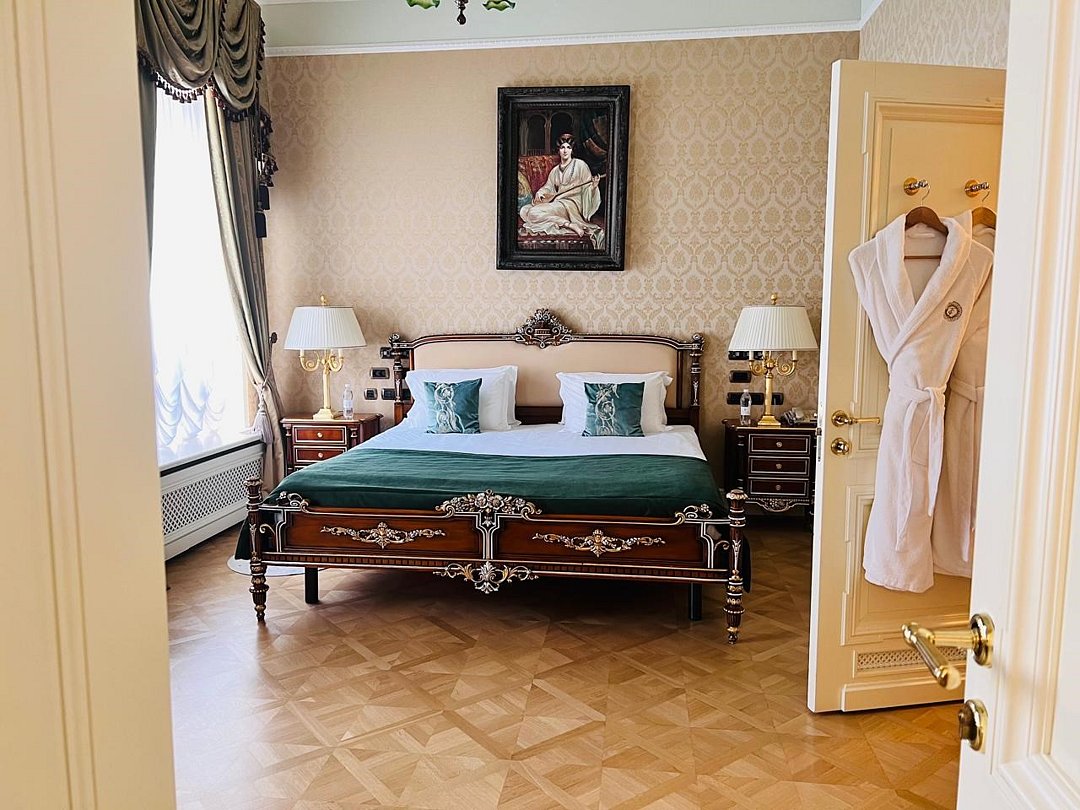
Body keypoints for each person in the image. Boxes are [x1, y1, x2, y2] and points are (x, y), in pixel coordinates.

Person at [519, 134, 605, 249]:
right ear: (558, 150)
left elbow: (587, 190)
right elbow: (548, 187)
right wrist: (540, 193)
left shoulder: (580, 165)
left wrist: (593, 187)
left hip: (571, 205)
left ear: (572, 150)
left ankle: (570, 225)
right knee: (524, 211)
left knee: (533, 213)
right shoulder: (555, 170)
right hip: (557, 202)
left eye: (568, 147)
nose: (565, 151)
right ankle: (561, 221)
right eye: (562, 147)